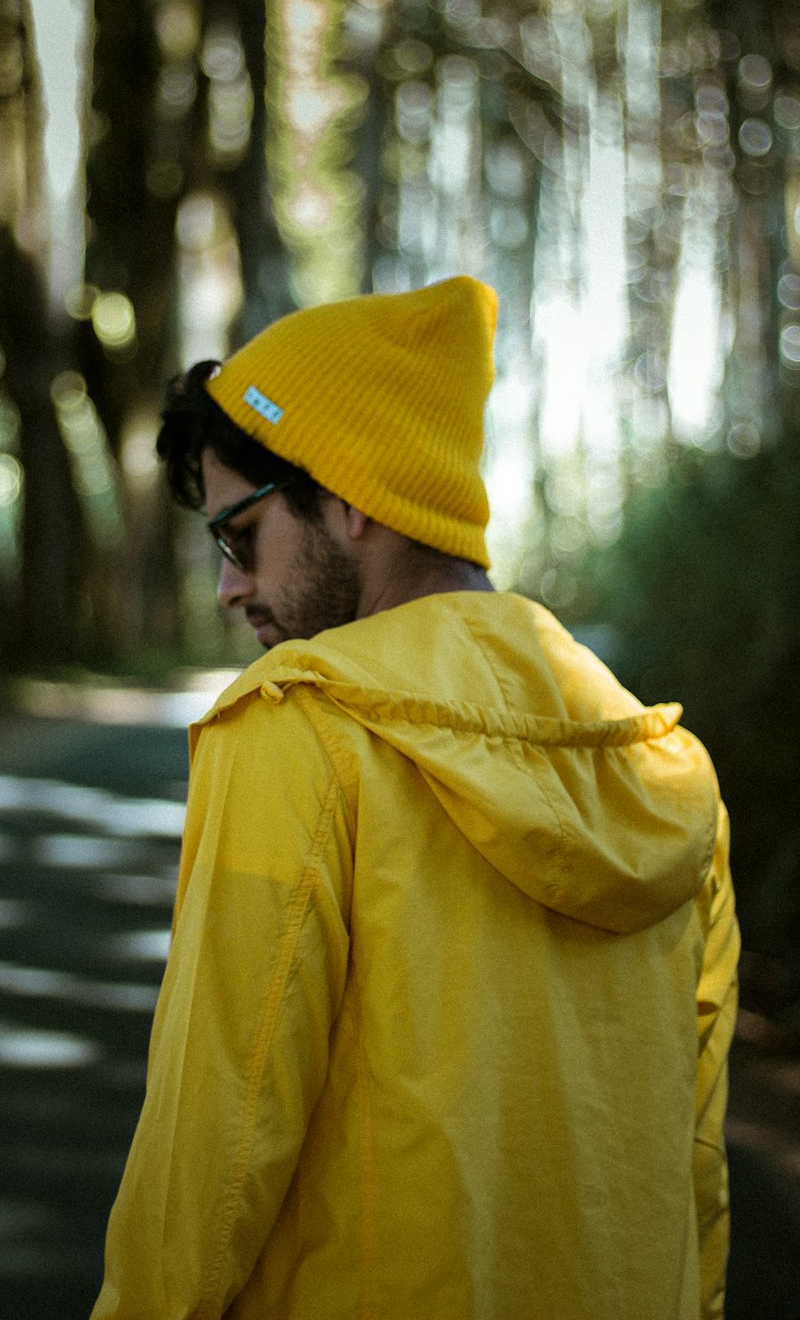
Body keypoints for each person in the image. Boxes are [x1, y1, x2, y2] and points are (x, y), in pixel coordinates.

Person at [91, 276, 739, 1320]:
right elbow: (695, 1135)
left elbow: (217, 1136)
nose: (228, 588)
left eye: (237, 535)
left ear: (348, 496)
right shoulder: (664, 770)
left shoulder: (300, 726)